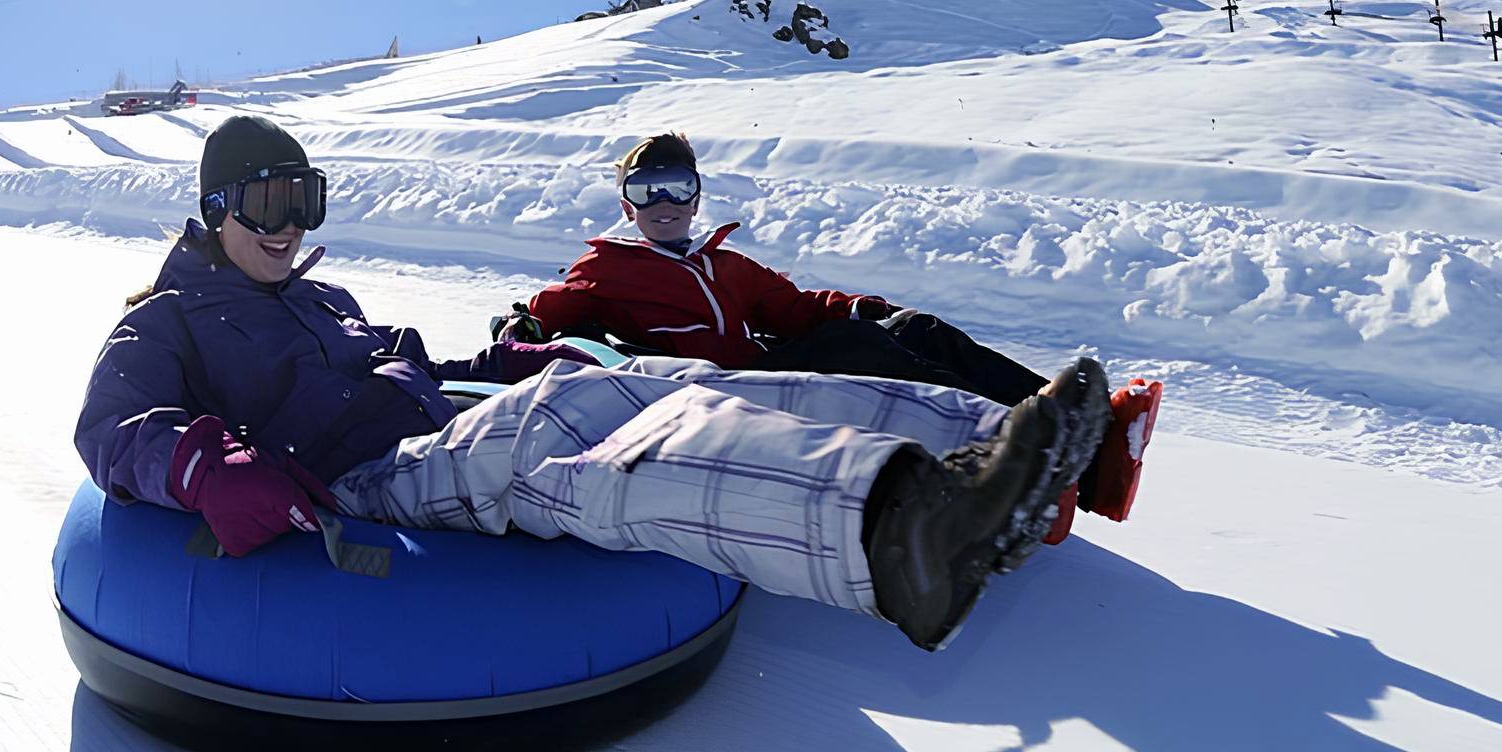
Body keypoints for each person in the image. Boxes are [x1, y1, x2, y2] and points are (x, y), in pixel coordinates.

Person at [76, 115, 1111, 651]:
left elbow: (416, 365)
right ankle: (900, 529)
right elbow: (113, 426)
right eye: (265, 198)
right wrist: (210, 459)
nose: (288, 221)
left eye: (303, 197)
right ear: (215, 205)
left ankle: (994, 447)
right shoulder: (163, 319)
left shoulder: (323, 294)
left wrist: (514, 358)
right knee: (556, 434)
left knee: (661, 379)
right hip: (352, 483)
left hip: (419, 432)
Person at [497, 132, 1160, 532]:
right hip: (712, 396)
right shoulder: (606, 266)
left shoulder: (725, 262)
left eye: (677, 189)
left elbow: (795, 309)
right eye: (646, 192)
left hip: (762, 367)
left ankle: (1087, 432)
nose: (663, 205)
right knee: (855, 349)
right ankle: (1016, 443)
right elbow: (544, 317)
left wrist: (862, 307)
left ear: (698, 197)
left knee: (910, 328)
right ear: (626, 206)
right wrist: (518, 325)